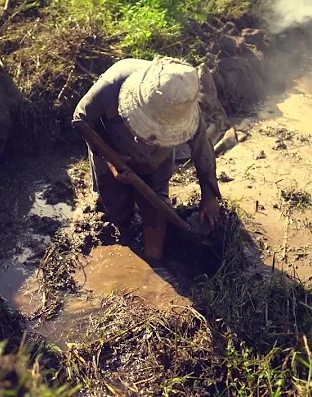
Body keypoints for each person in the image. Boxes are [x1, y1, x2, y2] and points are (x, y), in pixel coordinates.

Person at [72, 56, 222, 261]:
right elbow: (81, 120)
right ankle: (120, 220)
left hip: (157, 160)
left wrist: (209, 195)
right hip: (112, 147)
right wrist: (111, 160)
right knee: (117, 211)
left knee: (156, 209)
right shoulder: (112, 85)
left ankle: (154, 262)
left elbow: (202, 147)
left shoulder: (182, 101)